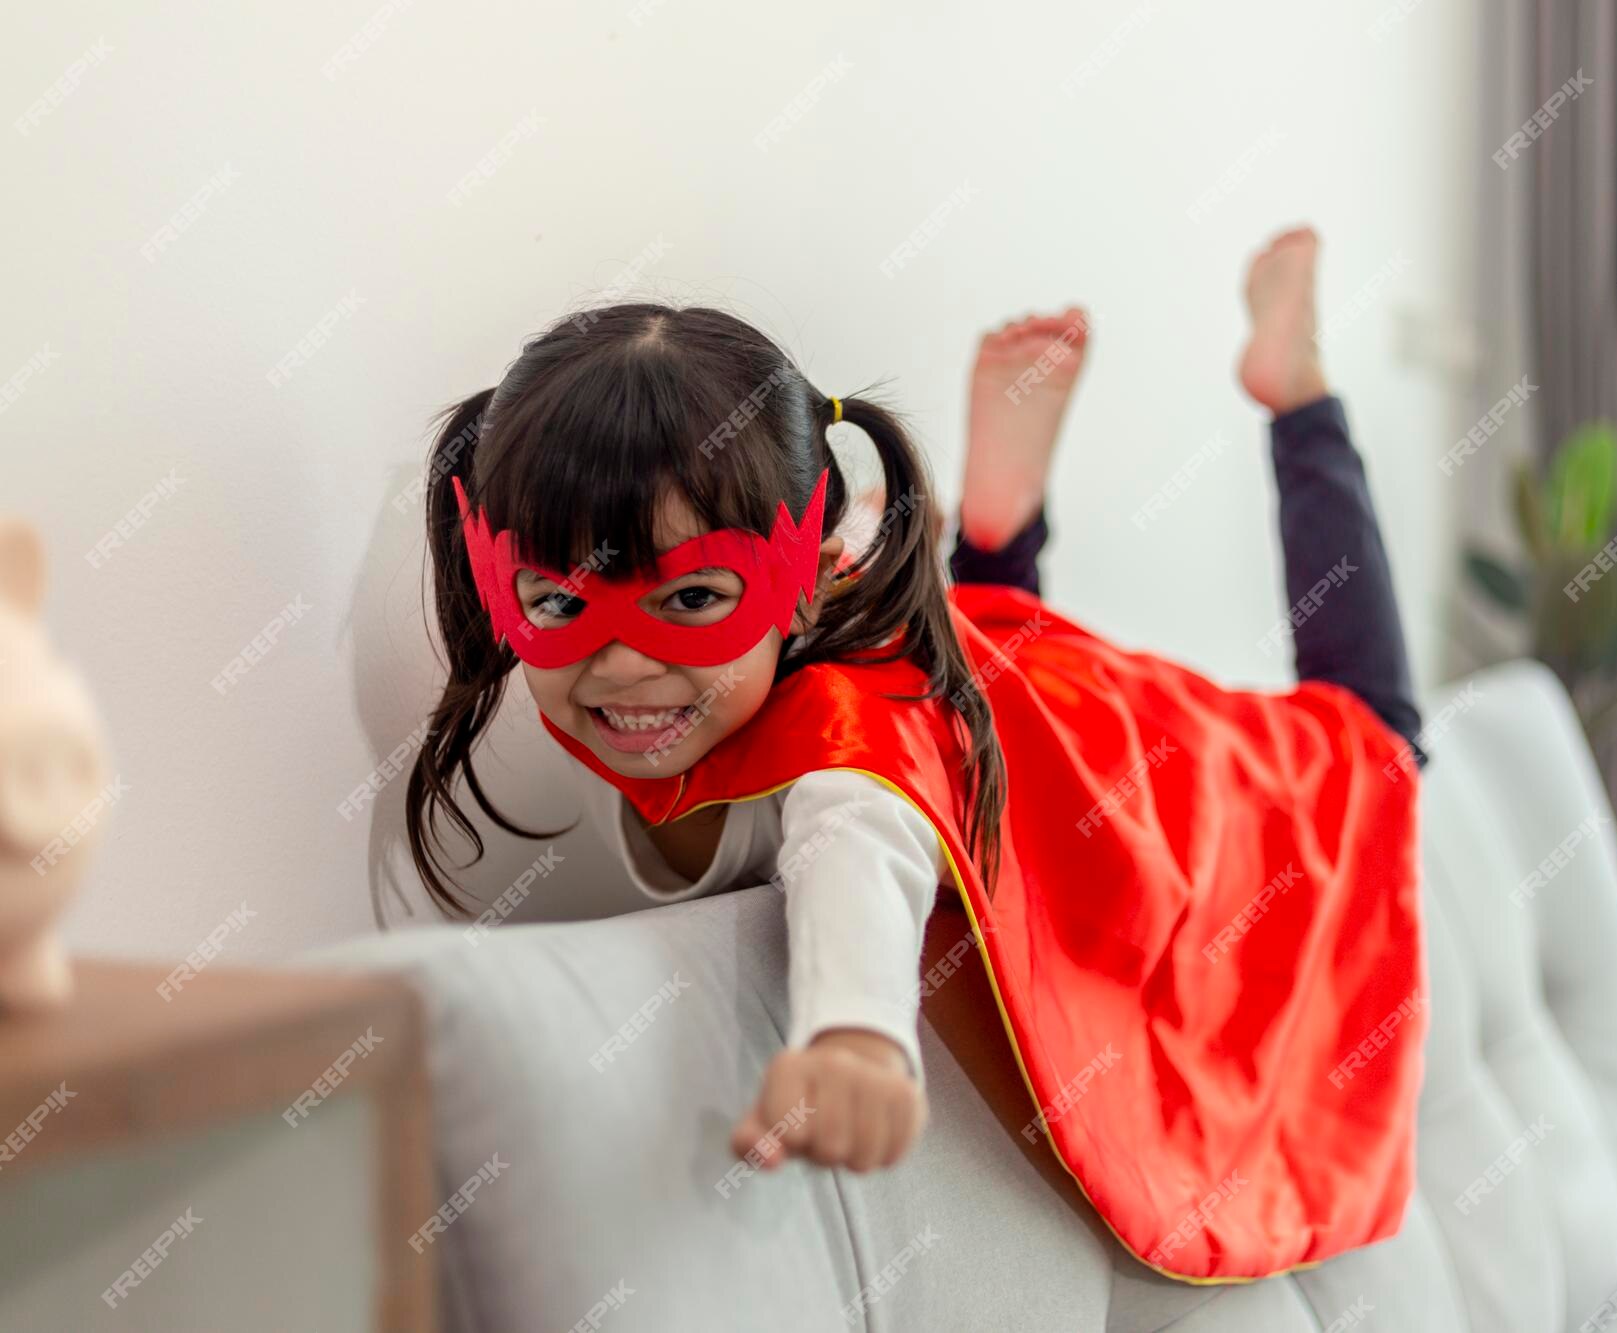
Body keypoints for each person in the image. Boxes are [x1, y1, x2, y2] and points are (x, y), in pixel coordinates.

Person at [409, 225, 1427, 1281]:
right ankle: (992, 543)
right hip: (980, 679)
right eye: (560, 602)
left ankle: (1293, 394)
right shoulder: (781, 628)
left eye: (692, 600)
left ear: (804, 573)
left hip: (1121, 737)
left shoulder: (847, 753)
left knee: (1380, 737)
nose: (621, 664)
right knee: (977, 644)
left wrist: (853, 1038)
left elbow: (858, 844)